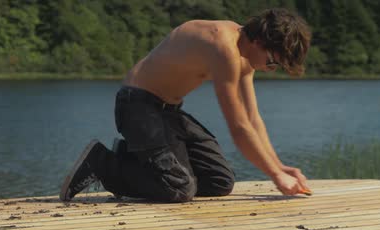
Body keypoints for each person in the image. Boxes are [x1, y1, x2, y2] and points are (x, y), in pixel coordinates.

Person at [60, 8, 312, 203]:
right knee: (179, 188)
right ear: (259, 41)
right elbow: (238, 127)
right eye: (272, 62)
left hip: (167, 113)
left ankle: (134, 156)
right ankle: (103, 163)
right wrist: (275, 176)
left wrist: (279, 166)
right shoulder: (223, 47)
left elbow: (253, 119)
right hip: (136, 105)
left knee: (219, 182)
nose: (270, 69)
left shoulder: (246, 57)